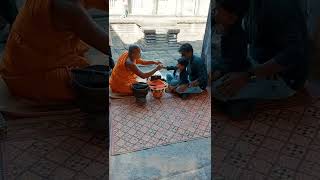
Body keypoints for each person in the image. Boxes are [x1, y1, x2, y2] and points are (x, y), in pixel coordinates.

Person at [212, 0, 309, 118]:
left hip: (282, 76)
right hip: (254, 61)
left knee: (217, 90)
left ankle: (251, 103)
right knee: (210, 65)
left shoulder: (281, 5)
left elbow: (294, 53)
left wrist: (246, 76)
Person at [0, 0, 110, 103]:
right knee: (102, 85)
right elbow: (107, 45)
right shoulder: (67, 7)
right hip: (27, 75)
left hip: (28, 58)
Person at [212, 0, 250, 81]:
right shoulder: (221, 27)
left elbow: (231, 65)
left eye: (218, 10)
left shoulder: (237, 39)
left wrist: (216, 74)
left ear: (231, 18)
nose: (214, 12)